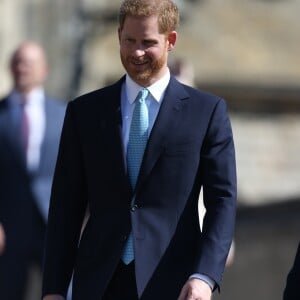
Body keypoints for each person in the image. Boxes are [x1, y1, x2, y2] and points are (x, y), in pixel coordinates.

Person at [42, 0, 237, 299]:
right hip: (98, 283)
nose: (136, 52)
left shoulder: (206, 112)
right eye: (129, 41)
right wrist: (54, 289)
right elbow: (65, 208)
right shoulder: (85, 112)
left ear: (170, 40)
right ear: (119, 34)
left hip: (174, 282)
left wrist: (204, 276)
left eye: (148, 43)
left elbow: (222, 201)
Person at [0, 41, 66, 300]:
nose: (22, 68)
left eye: (29, 62)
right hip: (8, 226)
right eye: (18, 61)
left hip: (53, 223)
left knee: (56, 291)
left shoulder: (64, 114)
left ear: (44, 70)